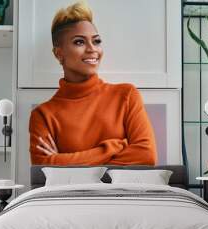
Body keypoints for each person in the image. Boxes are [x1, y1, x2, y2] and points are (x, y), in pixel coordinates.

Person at [29, 1, 157, 165]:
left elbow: (146, 156)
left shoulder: (126, 95)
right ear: (59, 53)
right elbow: (42, 172)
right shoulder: (43, 115)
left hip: (122, 192)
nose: (92, 49)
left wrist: (59, 161)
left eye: (96, 41)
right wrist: (112, 147)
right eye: (79, 42)